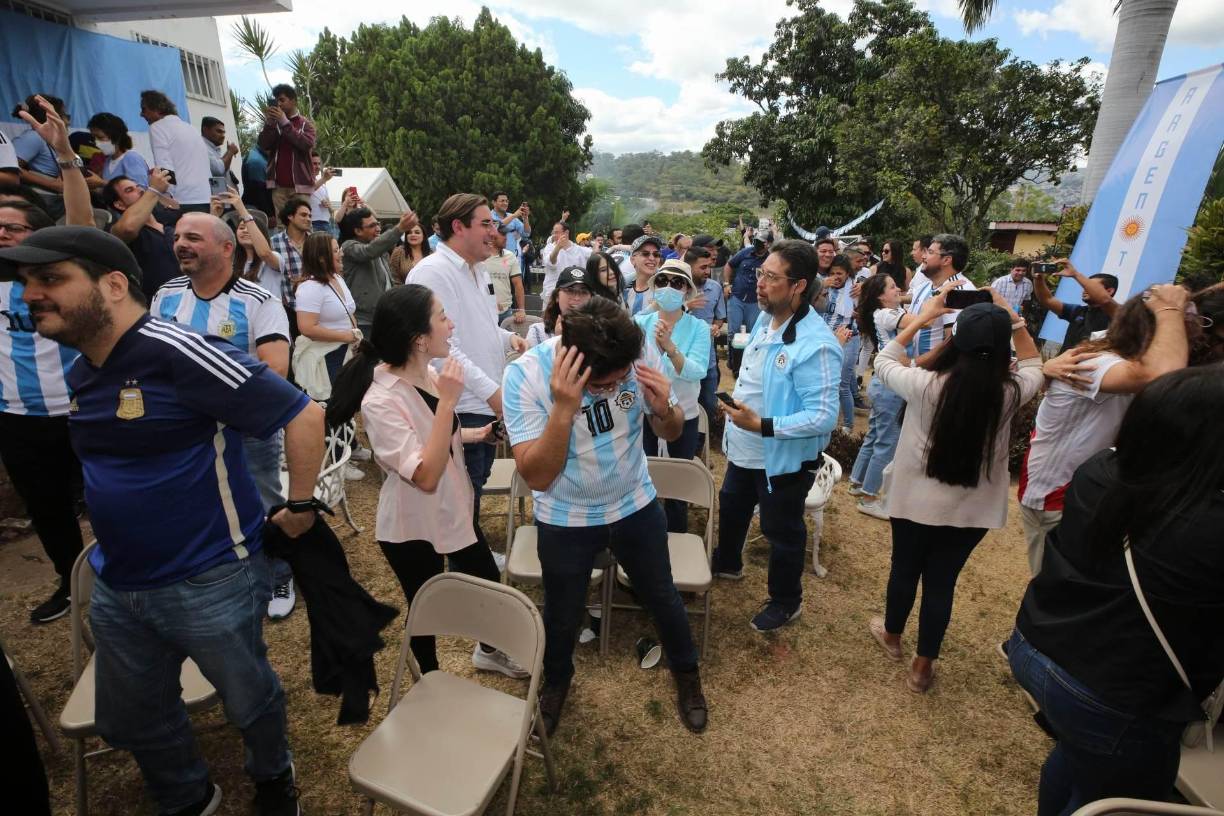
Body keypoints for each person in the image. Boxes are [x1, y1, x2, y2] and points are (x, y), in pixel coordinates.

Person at [0, 225, 325, 816]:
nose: (30, 295)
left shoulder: (180, 351)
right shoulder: (82, 372)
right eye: (26, 282)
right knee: (132, 714)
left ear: (115, 285)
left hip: (210, 578)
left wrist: (299, 509)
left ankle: (274, 777)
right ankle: (187, 795)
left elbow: (303, 415)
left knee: (248, 698)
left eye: (50, 279)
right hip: (118, 583)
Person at [1006, 366, 1224, 815]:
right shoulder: (1205, 528)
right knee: (1115, 799)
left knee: (1080, 755)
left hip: (1040, 644)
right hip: (1113, 694)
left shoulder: (1100, 471)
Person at [502, 297, 708, 734]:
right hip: (564, 516)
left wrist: (665, 409)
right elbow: (536, 476)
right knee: (562, 612)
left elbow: (668, 431)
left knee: (662, 595)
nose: (616, 389)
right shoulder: (525, 375)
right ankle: (557, 681)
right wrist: (562, 408)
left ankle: (687, 673)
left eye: (621, 380)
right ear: (570, 360)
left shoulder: (637, 352)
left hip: (634, 503)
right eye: (602, 386)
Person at [325, 285, 528, 679]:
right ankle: (428, 680)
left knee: (485, 585)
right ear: (419, 339)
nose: (451, 325)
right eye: (442, 318)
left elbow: (434, 436)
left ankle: (488, 650)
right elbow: (425, 473)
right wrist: (450, 402)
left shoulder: (428, 374)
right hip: (411, 526)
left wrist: (476, 434)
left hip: (453, 510)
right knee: (426, 606)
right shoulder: (380, 400)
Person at [868, 290, 1043, 692]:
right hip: (972, 511)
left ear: (956, 340)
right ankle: (922, 667)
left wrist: (925, 316)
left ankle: (892, 638)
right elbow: (1034, 361)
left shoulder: (924, 384)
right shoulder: (1012, 390)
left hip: (914, 502)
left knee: (904, 568)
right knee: (942, 581)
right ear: (1001, 348)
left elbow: (883, 360)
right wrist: (1011, 316)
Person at [149, 210, 298, 619]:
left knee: (263, 502)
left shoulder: (258, 301)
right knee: (199, 505)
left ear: (227, 247)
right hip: (184, 431)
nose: (181, 244)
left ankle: (279, 572)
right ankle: (217, 578)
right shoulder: (166, 295)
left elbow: (273, 371)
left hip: (246, 430)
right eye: (178, 236)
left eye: (194, 237)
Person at [711, 240, 842, 632]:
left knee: (781, 530)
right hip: (745, 447)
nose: (760, 283)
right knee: (732, 505)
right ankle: (728, 562)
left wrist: (763, 425)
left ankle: (786, 600)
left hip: (781, 457)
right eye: (760, 274)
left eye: (771, 277)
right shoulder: (770, 320)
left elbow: (822, 417)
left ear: (798, 285)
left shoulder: (816, 345)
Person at [1016, 286, 1190, 576]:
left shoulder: (1110, 355)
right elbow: (1162, 376)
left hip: (1085, 492)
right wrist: (1170, 312)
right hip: (1057, 494)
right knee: (1056, 591)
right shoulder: (1094, 362)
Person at [0, 98, 95, 624]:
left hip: (79, 407)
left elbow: (81, 219)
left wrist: (65, 158)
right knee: (48, 509)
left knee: (109, 498)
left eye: (12, 228)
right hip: (17, 418)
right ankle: (69, 581)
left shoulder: (59, 271)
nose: (2, 234)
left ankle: (126, 571)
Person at [409, 193, 528, 558]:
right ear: (458, 227)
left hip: (481, 400)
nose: (494, 231)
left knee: (473, 483)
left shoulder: (476, 269)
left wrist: (510, 338)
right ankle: (466, 563)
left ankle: (470, 552)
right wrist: (493, 393)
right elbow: (441, 349)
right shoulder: (432, 272)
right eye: (486, 224)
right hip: (460, 402)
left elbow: (482, 327)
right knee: (463, 487)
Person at [635, 259, 711, 533]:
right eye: (664, 281)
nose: (670, 287)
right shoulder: (640, 323)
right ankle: (646, 535)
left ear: (687, 291)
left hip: (684, 416)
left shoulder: (698, 328)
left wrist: (669, 348)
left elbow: (697, 371)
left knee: (677, 487)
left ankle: (676, 536)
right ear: (655, 287)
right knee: (644, 478)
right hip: (645, 415)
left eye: (677, 282)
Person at [849, 273, 918, 519]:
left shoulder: (881, 313)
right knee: (887, 442)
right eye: (892, 287)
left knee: (876, 435)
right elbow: (923, 320)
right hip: (891, 386)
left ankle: (857, 482)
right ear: (880, 295)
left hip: (881, 382)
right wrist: (939, 298)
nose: (898, 288)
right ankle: (869, 498)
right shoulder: (889, 314)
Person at [295, 231, 360, 384]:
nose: (341, 254)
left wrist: (354, 339)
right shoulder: (310, 287)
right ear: (322, 258)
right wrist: (346, 337)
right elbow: (307, 328)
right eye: (336, 251)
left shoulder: (337, 278)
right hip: (328, 357)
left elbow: (348, 311)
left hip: (348, 350)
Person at [340, 206, 415, 338]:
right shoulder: (349, 247)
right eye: (372, 226)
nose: (378, 229)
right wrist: (399, 229)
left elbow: (389, 282)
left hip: (383, 319)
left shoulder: (381, 251)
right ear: (358, 230)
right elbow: (368, 251)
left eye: (378, 224)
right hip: (362, 322)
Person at [104, 171, 180, 300]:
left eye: (138, 186)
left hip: (190, 297)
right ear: (119, 205)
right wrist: (154, 189)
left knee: (225, 321)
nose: (139, 191)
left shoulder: (168, 224)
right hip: (157, 305)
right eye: (129, 190)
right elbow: (128, 228)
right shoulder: (118, 230)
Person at [906, 233, 978, 361]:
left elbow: (955, 344)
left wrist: (917, 364)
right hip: (915, 372)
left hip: (935, 374)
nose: (923, 256)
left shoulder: (960, 291)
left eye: (930, 252)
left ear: (946, 260)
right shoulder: (923, 287)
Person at [139, 90, 211, 213]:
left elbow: (165, 168)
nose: (141, 114)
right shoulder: (190, 128)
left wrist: (166, 197)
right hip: (206, 198)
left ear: (156, 108)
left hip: (183, 201)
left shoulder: (157, 127)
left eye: (144, 109)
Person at [682, 246, 726, 425]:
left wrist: (716, 327)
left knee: (709, 403)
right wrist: (686, 306)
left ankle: (708, 440)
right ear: (689, 267)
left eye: (709, 266)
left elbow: (720, 318)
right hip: (682, 361)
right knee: (686, 406)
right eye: (702, 267)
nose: (708, 271)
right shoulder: (676, 289)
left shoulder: (715, 288)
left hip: (708, 360)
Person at [258, 84, 317, 216]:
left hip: (300, 187)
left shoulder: (306, 124)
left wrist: (285, 123)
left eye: (282, 100)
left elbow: (306, 144)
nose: (279, 104)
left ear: (293, 101)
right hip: (278, 187)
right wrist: (269, 124)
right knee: (281, 226)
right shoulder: (273, 124)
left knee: (303, 224)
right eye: (276, 101)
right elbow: (263, 144)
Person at [1033, 259, 1120, 350]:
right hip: (1063, 363)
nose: (1085, 289)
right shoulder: (1078, 311)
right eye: (1085, 286)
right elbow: (1047, 299)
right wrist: (1038, 279)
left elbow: (1105, 300)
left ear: (1109, 291)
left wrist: (1075, 274)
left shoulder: (1119, 315)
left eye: (1090, 286)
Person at [723, 232, 770, 375]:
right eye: (755, 241)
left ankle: (746, 364)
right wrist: (726, 284)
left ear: (767, 244)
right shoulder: (745, 253)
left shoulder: (770, 259)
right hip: (736, 297)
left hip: (754, 301)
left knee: (751, 332)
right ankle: (733, 364)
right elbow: (729, 265)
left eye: (761, 242)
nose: (757, 245)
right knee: (734, 331)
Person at [269, 195, 312, 317]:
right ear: (290, 216)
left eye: (310, 216)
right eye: (303, 215)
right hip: (285, 308)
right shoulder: (274, 242)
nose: (308, 219)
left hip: (314, 307)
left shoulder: (315, 241)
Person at [527, 267, 590, 348]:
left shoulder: (600, 332)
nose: (577, 298)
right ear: (557, 296)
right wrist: (558, 341)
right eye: (570, 290)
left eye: (583, 292)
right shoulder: (537, 332)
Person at [88, 112, 150, 187]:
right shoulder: (108, 161)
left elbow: (140, 189)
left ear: (116, 137)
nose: (96, 142)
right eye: (94, 138)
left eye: (100, 137)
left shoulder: (132, 158)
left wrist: (101, 182)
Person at [482, 223, 526, 324]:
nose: (506, 238)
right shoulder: (479, 256)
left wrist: (521, 310)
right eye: (502, 234)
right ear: (492, 235)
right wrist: (491, 301)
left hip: (506, 312)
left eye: (505, 234)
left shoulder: (510, 256)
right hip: (484, 311)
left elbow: (518, 285)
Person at [542, 220, 591, 302]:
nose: (554, 235)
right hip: (552, 294)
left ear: (566, 233)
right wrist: (557, 248)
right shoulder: (549, 247)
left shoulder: (581, 250)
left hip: (575, 296)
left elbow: (597, 256)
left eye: (557, 232)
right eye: (554, 233)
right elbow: (550, 263)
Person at [625, 233, 663, 316]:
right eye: (645, 254)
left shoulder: (665, 290)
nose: (652, 258)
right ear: (632, 260)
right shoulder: (623, 289)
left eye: (656, 254)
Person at [200, 116, 239, 186]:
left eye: (224, 132)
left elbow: (221, 166)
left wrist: (229, 152)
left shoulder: (213, 148)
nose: (223, 135)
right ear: (205, 130)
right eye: (219, 131)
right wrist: (230, 152)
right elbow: (219, 170)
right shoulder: (201, 146)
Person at [490, 192, 531, 258]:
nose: (505, 203)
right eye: (502, 201)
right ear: (494, 202)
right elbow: (495, 227)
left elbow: (526, 233)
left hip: (511, 258)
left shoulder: (512, 217)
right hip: (494, 257)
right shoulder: (488, 215)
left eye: (507, 201)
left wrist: (525, 218)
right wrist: (514, 215)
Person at [241, 143, 275, 221]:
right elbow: (258, 192)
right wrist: (269, 215)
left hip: (259, 209)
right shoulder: (256, 161)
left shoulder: (261, 157)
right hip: (259, 212)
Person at [307, 152, 335, 234]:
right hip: (312, 222)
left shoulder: (323, 185)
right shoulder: (304, 181)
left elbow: (331, 210)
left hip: (326, 223)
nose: (318, 167)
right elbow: (308, 190)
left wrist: (328, 205)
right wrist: (324, 178)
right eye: (314, 164)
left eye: (319, 164)